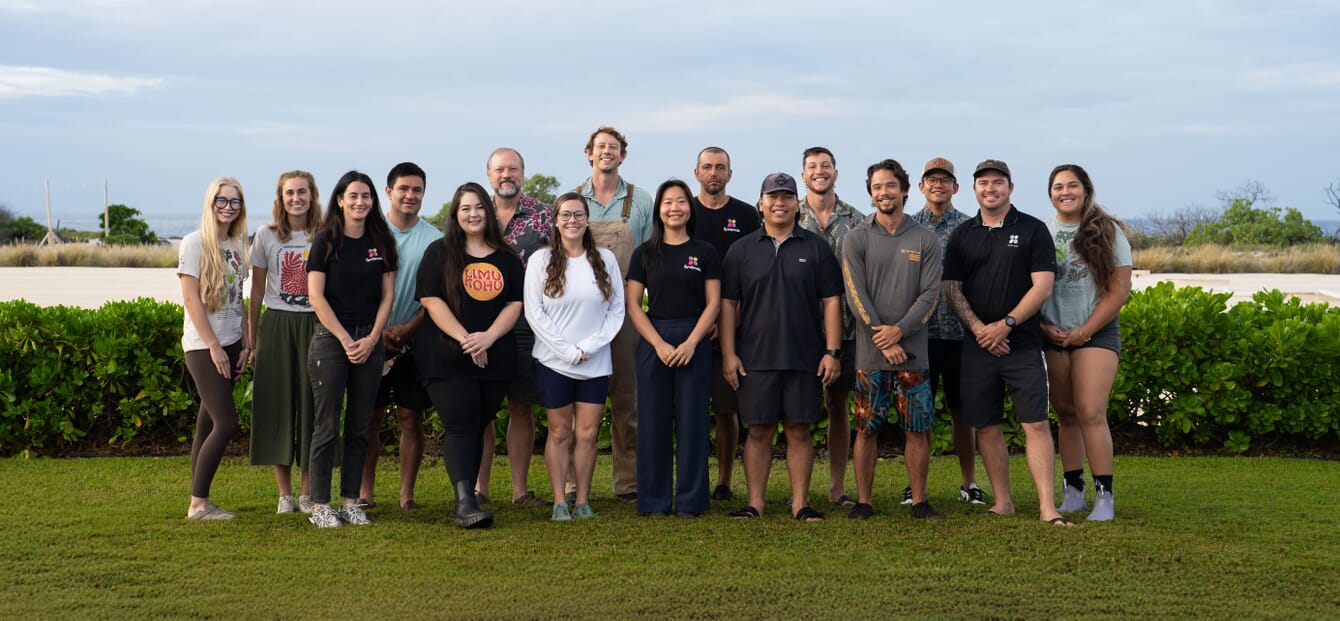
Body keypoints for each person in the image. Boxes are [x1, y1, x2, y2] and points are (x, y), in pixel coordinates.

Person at [942, 159, 1070, 526]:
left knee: (1035, 423)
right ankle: (1003, 501)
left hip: (1023, 345)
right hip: (977, 347)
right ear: (973, 190)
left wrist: (1007, 325)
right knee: (986, 425)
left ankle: (1048, 508)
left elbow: (1043, 286)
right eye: (983, 183)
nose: (990, 189)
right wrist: (983, 329)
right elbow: (952, 289)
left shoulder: (1032, 230)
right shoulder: (963, 234)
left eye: (998, 183)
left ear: (1010, 188)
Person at [721, 173, 843, 522]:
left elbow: (832, 300)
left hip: (804, 356)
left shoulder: (815, 247)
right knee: (758, 431)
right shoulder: (741, 250)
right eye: (772, 197)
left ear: (796, 204)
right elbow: (728, 305)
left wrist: (832, 351)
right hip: (754, 358)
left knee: (798, 430)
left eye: (786, 197)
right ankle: (755, 504)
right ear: (761, 204)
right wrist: (728, 354)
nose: (779, 203)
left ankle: (799, 504)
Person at [415, 182, 525, 529]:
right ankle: (465, 501)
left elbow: (516, 303)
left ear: (488, 213)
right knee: (461, 422)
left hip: (494, 357)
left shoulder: (506, 257)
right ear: (455, 214)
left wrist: (488, 338)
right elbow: (431, 300)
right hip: (447, 356)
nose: (473, 214)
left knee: (477, 423)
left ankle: (467, 497)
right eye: (465, 208)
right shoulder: (439, 253)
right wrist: (467, 339)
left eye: (479, 207)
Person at [841, 159, 943, 520]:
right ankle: (864, 502)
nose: (883, 192)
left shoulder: (924, 238)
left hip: (914, 356)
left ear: (905, 188)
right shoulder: (856, 238)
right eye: (876, 187)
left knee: (917, 429)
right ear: (870, 193)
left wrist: (900, 331)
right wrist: (884, 339)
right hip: (870, 357)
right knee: (866, 429)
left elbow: (930, 295)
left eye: (889, 186)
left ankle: (919, 501)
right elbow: (855, 295)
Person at [305, 170, 397, 528]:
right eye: (353, 196)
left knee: (360, 427)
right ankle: (320, 506)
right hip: (331, 340)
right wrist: (345, 339)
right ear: (340, 200)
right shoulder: (325, 240)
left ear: (373, 201)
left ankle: (349, 502)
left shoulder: (381, 241)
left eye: (366, 196)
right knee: (326, 426)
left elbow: (387, 295)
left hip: (369, 341)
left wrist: (373, 338)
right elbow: (316, 296)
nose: (360, 202)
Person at [525, 192, 625, 521]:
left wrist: (589, 348)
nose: (572, 221)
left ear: (587, 220)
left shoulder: (605, 259)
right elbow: (534, 312)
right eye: (566, 215)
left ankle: (582, 500)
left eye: (579, 215)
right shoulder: (541, 261)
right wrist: (566, 351)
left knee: (587, 434)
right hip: (555, 361)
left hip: (594, 362)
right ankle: (559, 502)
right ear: (555, 220)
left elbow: (616, 311)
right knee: (559, 432)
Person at [1040, 164, 1132, 522]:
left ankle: (1104, 497)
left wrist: (1084, 331)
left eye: (1072, 185)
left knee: (1091, 412)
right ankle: (1073, 491)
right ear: (1050, 193)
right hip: (1053, 333)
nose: (1065, 191)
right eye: (1058, 186)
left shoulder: (1107, 231)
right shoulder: (1042, 231)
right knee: (1066, 414)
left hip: (1096, 332)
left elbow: (1118, 291)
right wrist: (1046, 327)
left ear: (1086, 189)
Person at [627, 179, 721, 518]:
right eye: (667, 202)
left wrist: (692, 342)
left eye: (681, 201)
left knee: (693, 422)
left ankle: (692, 502)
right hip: (656, 339)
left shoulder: (705, 252)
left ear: (689, 209)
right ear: (659, 210)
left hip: (694, 338)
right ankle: (654, 502)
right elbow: (634, 305)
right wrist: (659, 343)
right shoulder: (644, 253)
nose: (674, 208)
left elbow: (714, 304)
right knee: (653, 423)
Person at [572, 125, 653, 503]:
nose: (607, 152)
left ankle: (628, 483)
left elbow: (654, 256)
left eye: (614, 147)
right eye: (600, 146)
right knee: (577, 401)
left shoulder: (641, 201)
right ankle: (572, 483)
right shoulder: (571, 200)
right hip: (579, 316)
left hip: (625, 314)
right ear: (589, 153)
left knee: (627, 401)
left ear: (623, 155)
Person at [358, 163, 437, 510]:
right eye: (403, 189)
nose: (410, 195)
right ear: (388, 192)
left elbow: (439, 295)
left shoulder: (435, 240)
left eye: (417, 190)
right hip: (370, 339)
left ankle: (407, 495)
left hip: (413, 340)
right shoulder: (368, 233)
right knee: (368, 418)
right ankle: (365, 494)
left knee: (410, 417)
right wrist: (377, 331)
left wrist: (409, 329)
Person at [477, 147, 552, 507]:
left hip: (528, 322)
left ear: (522, 172)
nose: (507, 175)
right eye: (499, 169)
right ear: (489, 174)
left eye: (513, 169)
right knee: (482, 407)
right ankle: (480, 488)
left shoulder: (543, 215)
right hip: (480, 322)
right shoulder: (475, 212)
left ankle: (520, 491)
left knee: (521, 405)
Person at [909, 157, 986, 506]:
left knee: (961, 412)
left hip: (959, 334)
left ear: (956, 187)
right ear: (921, 186)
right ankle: (916, 485)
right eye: (931, 179)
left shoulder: (971, 228)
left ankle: (969, 483)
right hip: (919, 335)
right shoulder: (908, 227)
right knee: (919, 412)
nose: (937, 185)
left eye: (945, 180)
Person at [248, 171, 322, 514]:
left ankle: (308, 492)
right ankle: (285, 495)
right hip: (276, 322)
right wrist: (253, 340)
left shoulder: (324, 233)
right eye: (290, 192)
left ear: (312, 195)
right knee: (279, 405)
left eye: (302, 192)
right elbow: (257, 290)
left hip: (314, 321)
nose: (297, 198)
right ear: (281, 197)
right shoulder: (266, 235)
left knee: (312, 404)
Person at [690, 146, 760, 501]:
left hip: (733, 329)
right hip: (688, 329)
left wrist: (728, 325)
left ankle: (724, 480)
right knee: (690, 409)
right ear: (696, 172)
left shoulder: (746, 215)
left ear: (730, 174)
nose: (713, 172)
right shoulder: (684, 212)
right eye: (707, 167)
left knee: (725, 410)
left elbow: (754, 275)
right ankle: (692, 478)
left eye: (720, 167)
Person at [179, 177, 250, 520]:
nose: (228, 207)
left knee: (206, 424)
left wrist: (246, 344)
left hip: (233, 342)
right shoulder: (194, 243)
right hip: (204, 347)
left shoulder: (237, 245)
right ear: (210, 204)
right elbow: (191, 300)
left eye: (234, 202)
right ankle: (199, 504)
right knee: (226, 423)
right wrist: (213, 346)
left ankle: (197, 500)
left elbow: (240, 300)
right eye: (221, 201)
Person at [797, 146, 861, 507]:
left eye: (826, 166)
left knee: (839, 407)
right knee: (799, 411)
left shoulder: (857, 219)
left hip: (849, 331)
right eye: (812, 167)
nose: (819, 171)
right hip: (801, 331)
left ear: (836, 172)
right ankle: (800, 490)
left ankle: (837, 487)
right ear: (803, 175)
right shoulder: (790, 215)